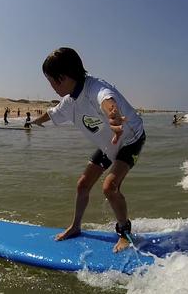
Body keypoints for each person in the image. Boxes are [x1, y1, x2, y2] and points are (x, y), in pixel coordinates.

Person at [30, 47, 145, 253]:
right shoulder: (69, 101)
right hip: (108, 144)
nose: (51, 86)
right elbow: (52, 112)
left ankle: (125, 233)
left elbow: (107, 100)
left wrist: (113, 115)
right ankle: (75, 226)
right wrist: (35, 121)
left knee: (110, 187)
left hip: (130, 140)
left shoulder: (95, 88)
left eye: (51, 81)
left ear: (63, 77)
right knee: (83, 184)